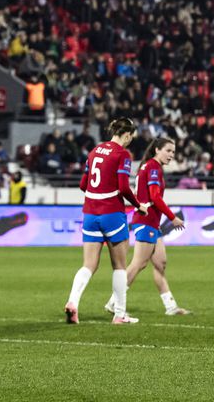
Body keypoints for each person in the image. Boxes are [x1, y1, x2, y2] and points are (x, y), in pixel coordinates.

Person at [63, 117, 149, 325]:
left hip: (90, 213)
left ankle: (73, 302)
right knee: (119, 265)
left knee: (89, 265)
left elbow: (83, 185)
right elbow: (124, 187)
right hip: (112, 213)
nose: (130, 141)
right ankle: (119, 314)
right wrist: (139, 205)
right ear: (126, 134)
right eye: (131, 137)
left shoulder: (94, 151)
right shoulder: (122, 154)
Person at [106, 137, 189, 317]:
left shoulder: (150, 166)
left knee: (160, 262)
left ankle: (171, 306)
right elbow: (155, 197)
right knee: (138, 264)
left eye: (173, 152)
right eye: (168, 150)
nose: (171, 155)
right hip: (146, 221)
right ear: (157, 150)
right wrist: (172, 217)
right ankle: (114, 302)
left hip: (151, 222)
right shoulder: (152, 167)